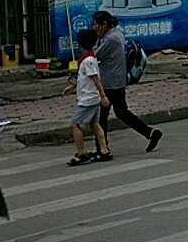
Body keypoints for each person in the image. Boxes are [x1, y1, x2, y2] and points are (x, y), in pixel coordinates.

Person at [92, 11, 163, 154]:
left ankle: (102, 147)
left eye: (96, 24)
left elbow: (95, 55)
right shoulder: (117, 33)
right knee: (121, 112)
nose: (94, 28)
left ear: (104, 24)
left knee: (101, 116)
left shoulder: (110, 39)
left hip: (109, 83)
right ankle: (150, 133)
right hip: (118, 80)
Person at [62, 29, 112, 166]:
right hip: (92, 97)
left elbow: (95, 79)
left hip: (88, 99)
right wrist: (72, 88)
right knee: (94, 124)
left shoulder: (87, 61)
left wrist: (103, 96)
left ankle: (82, 153)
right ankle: (104, 149)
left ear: (79, 45)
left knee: (74, 125)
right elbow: (85, 79)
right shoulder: (90, 58)